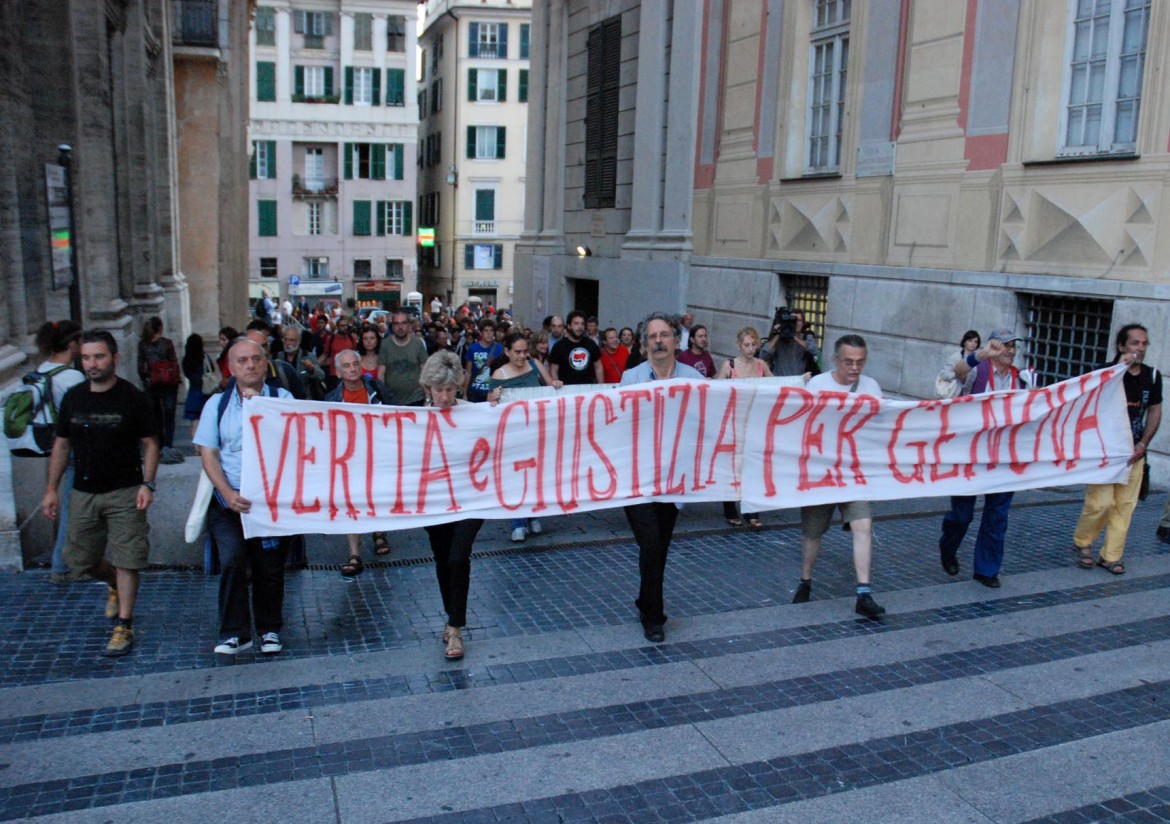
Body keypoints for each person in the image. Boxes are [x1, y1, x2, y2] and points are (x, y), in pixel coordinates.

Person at [42, 330, 159, 657]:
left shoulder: (133, 398)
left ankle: (124, 623)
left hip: (125, 491)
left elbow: (150, 443)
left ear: (114, 358)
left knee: (128, 558)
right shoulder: (74, 397)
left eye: (99, 357)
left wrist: (148, 483)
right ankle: (112, 584)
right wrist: (51, 489)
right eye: (87, 358)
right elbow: (62, 444)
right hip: (83, 491)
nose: (92, 364)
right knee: (78, 558)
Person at [195, 337, 293, 655]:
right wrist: (226, 491)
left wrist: (260, 410)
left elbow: (295, 443)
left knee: (269, 566)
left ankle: (268, 629)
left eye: (256, 359)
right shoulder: (216, 405)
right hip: (228, 499)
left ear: (266, 363)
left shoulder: (283, 399)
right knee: (233, 559)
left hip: (269, 501)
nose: (250, 365)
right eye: (242, 361)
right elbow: (208, 453)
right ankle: (235, 631)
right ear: (231, 367)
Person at [620, 312, 704, 643]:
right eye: (652, 336)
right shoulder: (630, 379)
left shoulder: (694, 380)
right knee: (652, 542)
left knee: (658, 547)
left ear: (676, 341)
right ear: (644, 345)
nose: (658, 341)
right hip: (637, 478)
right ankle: (653, 616)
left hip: (674, 478)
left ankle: (645, 600)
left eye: (664, 335)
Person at [790, 334, 886, 618]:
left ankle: (864, 593)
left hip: (854, 473)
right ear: (835, 360)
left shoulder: (871, 387)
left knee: (863, 525)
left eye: (860, 362)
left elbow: (881, 425)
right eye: (848, 362)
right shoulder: (817, 386)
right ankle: (805, 580)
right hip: (821, 473)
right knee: (812, 533)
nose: (855, 368)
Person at [939, 328, 1030, 587]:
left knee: (997, 515)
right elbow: (952, 374)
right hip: (970, 456)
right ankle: (948, 547)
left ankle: (986, 570)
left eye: (1014, 346)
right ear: (994, 347)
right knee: (962, 515)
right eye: (1006, 345)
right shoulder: (978, 371)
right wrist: (980, 355)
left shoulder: (1022, 379)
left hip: (1003, 459)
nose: (1011, 351)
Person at [1072, 324, 1160, 574]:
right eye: (1135, 343)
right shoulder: (1103, 372)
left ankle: (1111, 555)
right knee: (1100, 503)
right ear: (1121, 346)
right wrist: (1118, 369)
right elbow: (1089, 400)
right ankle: (1083, 541)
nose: (1140, 348)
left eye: (1144, 344)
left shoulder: (1152, 376)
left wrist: (1143, 443)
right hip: (1105, 452)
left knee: (1124, 505)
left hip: (1134, 452)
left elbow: (1155, 410)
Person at [419, 350, 482, 660]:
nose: (444, 397)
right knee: (444, 559)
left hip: (471, 500)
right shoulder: (413, 419)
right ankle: (451, 615)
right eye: (438, 390)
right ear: (428, 389)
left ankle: (455, 627)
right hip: (435, 502)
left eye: (449, 389)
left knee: (458, 557)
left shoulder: (474, 413)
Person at [326, 350, 397, 574]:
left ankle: (378, 532)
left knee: (376, 496)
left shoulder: (376, 389)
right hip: (349, 458)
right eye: (347, 366)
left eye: (356, 364)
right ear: (338, 372)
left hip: (378, 453)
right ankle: (354, 553)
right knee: (352, 501)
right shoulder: (332, 399)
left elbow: (398, 412)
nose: (353, 369)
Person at [486, 331, 561, 542]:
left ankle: (532, 514)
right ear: (507, 352)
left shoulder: (535, 364)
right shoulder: (499, 374)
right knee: (517, 478)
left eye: (525, 351)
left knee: (536, 476)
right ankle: (518, 521)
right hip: (513, 435)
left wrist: (556, 384)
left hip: (537, 432)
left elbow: (550, 386)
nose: (522, 356)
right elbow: (489, 402)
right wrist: (493, 398)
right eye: (517, 352)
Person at [32, 321, 85, 585]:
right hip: (75, 448)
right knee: (74, 510)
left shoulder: (41, 371)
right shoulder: (72, 377)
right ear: (73, 344)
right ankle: (63, 566)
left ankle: (67, 563)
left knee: (67, 505)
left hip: (50, 443)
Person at [716, 327, 773, 529]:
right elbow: (716, 389)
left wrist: (800, 381)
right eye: (746, 345)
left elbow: (778, 386)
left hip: (754, 422)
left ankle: (752, 511)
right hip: (733, 421)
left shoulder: (761, 365)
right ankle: (730, 509)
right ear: (739, 346)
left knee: (753, 467)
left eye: (753, 344)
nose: (750, 348)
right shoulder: (729, 365)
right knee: (731, 467)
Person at [137, 316, 182, 464]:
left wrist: (146, 379)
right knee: (169, 414)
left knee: (156, 416)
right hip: (169, 383)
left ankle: (160, 444)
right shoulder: (167, 343)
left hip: (152, 384)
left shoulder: (143, 345)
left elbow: (140, 367)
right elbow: (174, 363)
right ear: (160, 328)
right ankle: (168, 445)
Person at [378, 310, 429, 406]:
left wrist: (428, 398)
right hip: (391, 401)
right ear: (392, 326)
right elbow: (381, 375)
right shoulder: (385, 344)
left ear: (409, 325)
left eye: (403, 323)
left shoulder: (418, 343)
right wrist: (384, 398)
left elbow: (425, 371)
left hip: (416, 399)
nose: (400, 327)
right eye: (396, 323)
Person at [760, 308, 820, 377]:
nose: (796, 323)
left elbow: (815, 351)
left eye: (799, 320)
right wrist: (779, 333)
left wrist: (794, 336)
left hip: (798, 382)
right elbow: (762, 356)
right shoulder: (779, 339)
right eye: (793, 320)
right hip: (780, 382)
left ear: (803, 323)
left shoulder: (806, 337)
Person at [549, 310, 604, 385]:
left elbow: (598, 367)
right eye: (576, 323)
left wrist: (600, 387)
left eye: (582, 324)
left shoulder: (591, 344)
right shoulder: (559, 346)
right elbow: (554, 370)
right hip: (566, 391)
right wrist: (556, 388)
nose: (580, 327)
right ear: (569, 326)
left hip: (588, 390)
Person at [181, 333, 215, 450]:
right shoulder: (205, 357)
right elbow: (213, 369)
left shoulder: (187, 359)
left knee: (194, 421)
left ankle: (196, 447)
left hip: (193, 391)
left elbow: (186, 373)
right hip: (205, 391)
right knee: (205, 420)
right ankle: (205, 445)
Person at [273, 325, 325, 400]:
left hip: (304, 400)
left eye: (292, 340)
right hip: (283, 400)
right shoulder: (277, 357)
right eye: (285, 340)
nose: (288, 343)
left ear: (298, 341)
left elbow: (321, 375)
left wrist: (312, 370)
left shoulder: (307, 356)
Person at [461, 318, 502, 403]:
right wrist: (464, 393)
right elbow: (468, 372)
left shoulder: (499, 349)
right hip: (475, 391)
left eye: (491, 330)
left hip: (492, 391)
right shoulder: (473, 348)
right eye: (486, 330)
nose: (489, 333)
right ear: (481, 332)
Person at [936, 330, 981, 399]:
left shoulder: (978, 358)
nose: (973, 344)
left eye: (976, 342)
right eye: (970, 341)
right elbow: (944, 374)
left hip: (971, 394)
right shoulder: (955, 357)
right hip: (955, 393)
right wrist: (958, 374)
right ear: (965, 342)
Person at [319, 316, 358, 391]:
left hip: (348, 373)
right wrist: (316, 363)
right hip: (334, 374)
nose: (344, 328)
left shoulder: (351, 338)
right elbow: (325, 354)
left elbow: (355, 354)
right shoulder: (331, 338)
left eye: (346, 325)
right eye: (342, 326)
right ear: (337, 326)